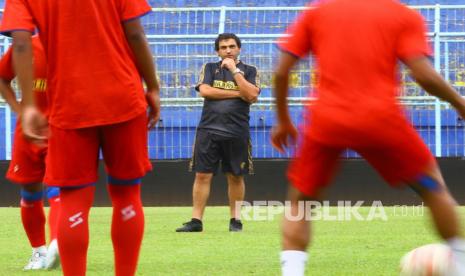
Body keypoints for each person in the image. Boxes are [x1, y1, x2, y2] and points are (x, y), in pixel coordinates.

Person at [272, 0, 465, 275]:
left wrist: (283, 121)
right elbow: (423, 75)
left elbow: (281, 71)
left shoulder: (316, 12)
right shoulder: (402, 15)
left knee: (300, 203)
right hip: (381, 121)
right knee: (432, 187)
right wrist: (459, 103)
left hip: (327, 123)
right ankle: (460, 263)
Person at [0, 0, 160, 275]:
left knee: (73, 200)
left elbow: (22, 43)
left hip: (69, 107)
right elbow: (135, 33)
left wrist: (25, 107)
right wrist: (153, 87)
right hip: (124, 99)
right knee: (126, 195)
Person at [176, 33, 260, 232]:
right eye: (223, 47)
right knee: (202, 175)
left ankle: (235, 220)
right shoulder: (209, 68)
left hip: (237, 131)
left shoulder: (250, 70)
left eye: (232, 46)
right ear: (217, 51)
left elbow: (252, 95)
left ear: (239, 48)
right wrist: (240, 93)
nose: (228, 50)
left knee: (236, 176)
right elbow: (205, 91)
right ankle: (196, 221)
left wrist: (235, 71)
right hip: (208, 130)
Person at [0, 35, 60, 270]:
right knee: (30, 191)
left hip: (62, 130)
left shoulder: (76, 44)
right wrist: (20, 111)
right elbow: (3, 77)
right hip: (29, 131)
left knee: (59, 187)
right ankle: (39, 251)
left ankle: (58, 243)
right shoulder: (26, 45)